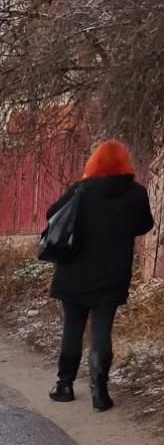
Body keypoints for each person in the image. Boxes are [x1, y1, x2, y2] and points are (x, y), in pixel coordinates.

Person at [46, 139, 155, 410]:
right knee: (101, 331)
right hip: (112, 273)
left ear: (93, 163)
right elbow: (145, 225)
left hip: (74, 271)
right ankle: (100, 392)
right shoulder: (136, 193)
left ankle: (64, 385)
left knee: (72, 328)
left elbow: (52, 214)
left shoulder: (80, 190)